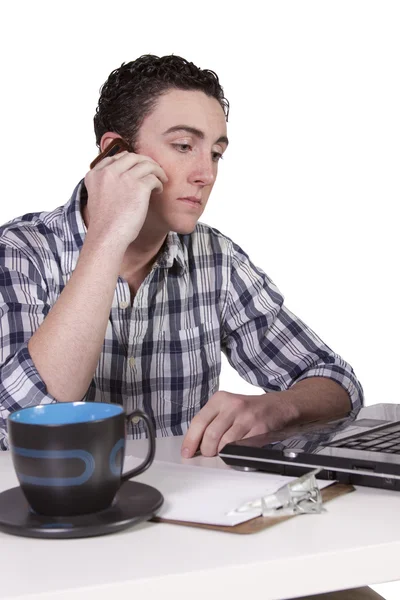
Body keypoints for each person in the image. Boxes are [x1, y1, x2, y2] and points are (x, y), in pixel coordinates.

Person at [0, 53, 385, 600]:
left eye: (217, 152)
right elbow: (20, 417)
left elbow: (335, 382)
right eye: (184, 146)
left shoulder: (215, 258)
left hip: (199, 536)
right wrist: (107, 236)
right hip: (55, 556)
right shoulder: (19, 255)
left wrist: (275, 406)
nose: (206, 172)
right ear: (114, 153)